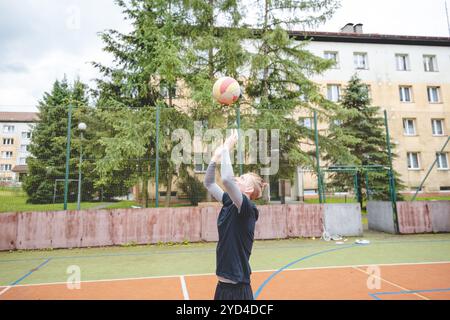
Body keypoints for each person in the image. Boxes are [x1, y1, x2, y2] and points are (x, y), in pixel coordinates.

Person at [203, 130, 267, 300]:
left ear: (248, 190)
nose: (238, 178)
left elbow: (227, 179)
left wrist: (226, 149)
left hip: (238, 290)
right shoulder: (229, 201)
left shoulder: (247, 209)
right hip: (223, 287)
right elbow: (209, 183)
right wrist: (214, 159)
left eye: (243, 178)